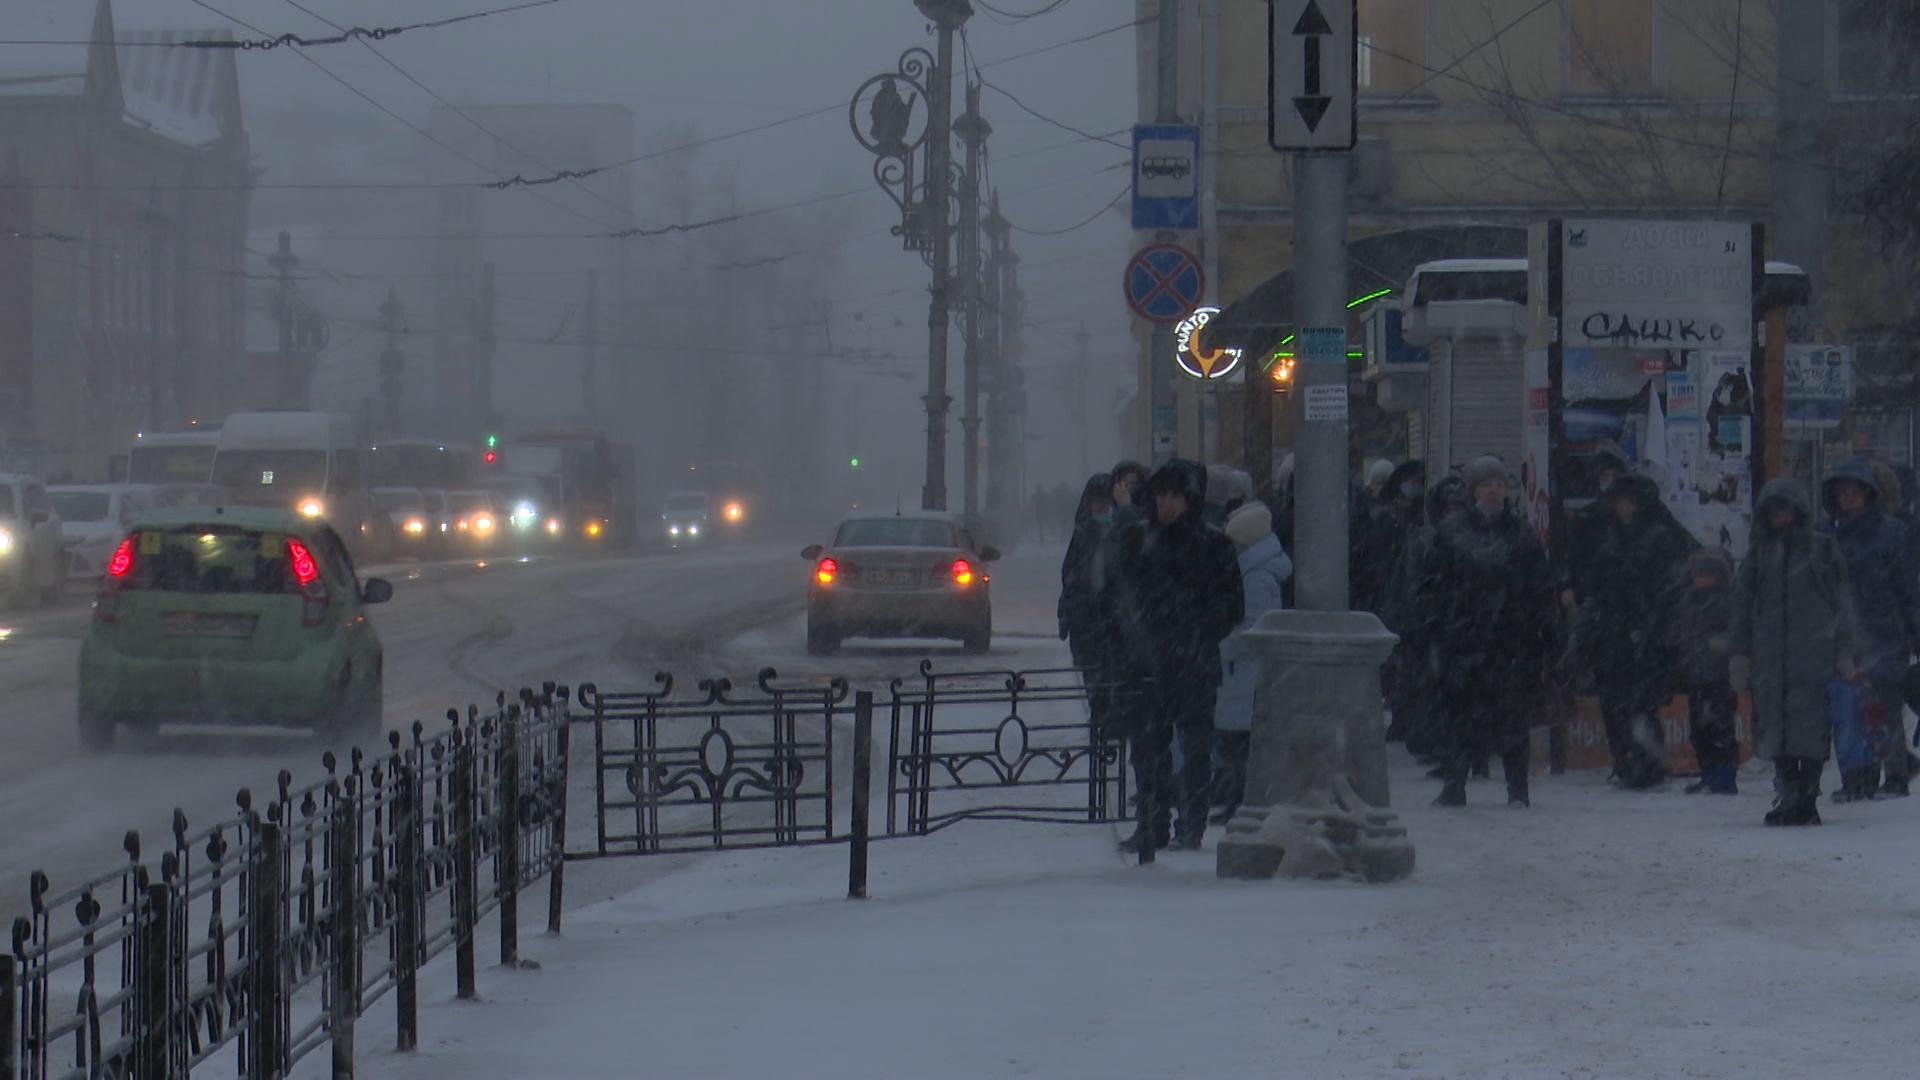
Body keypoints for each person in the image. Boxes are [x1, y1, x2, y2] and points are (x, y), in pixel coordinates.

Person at [1410, 456, 1558, 809]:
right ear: (1474, 490)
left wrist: (1539, 630)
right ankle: (1455, 783)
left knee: (1511, 718)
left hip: (1510, 641)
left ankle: (1517, 788)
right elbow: (1431, 585)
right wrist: (1437, 627)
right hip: (1463, 641)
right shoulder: (1452, 531)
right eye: (1486, 484)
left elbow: (1539, 585)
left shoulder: (1520, 532)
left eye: (1499, 484)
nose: (1494, 491)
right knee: (1459, 715)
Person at [1118, 459, 1244, 856]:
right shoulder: (1137, 543)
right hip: (1149, 663)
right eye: (1160, 496)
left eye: (1174, 496)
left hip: (1193, 663)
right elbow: (1119, 599)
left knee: (1195, 748)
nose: (1166, 504)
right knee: (1148, 748)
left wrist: (1194, 631)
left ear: (1190, 499)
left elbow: (1230, 606)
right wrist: (1137, 636)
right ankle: (1152, 824)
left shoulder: (1213, 546)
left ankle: (1191, 825)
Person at [1729, 479, 1857, 827]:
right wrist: (1740, 653)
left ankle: (1806, 797)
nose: (1779, 517)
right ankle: (1789, 794)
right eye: (1773, 510)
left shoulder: (1821, 551)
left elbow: (1841, 603)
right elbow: (1742, 606)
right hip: (1771, 660)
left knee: (1812, 732)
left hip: (1812, 658)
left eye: (1784, 509)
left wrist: (1845, 650)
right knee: (1777, 732)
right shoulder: (1759, 555)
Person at [1581, 472, 1696, 790]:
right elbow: (1598, 582)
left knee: (1641, 705)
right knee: (1616, 703)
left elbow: (1668, 588)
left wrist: (1649, 625)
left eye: (1629, 503)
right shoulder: (1611, 537)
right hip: (1614, 632)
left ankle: (1648, 766)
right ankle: (1626, 764)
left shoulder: (1660, 537)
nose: (1624, 510)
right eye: (1619, 503)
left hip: (1645, 634)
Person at [1817, 457, 1920, 800]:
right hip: (1841, 637)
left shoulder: (1891, 533)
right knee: (1851, 710)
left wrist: (1913, 630)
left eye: (1854, 492)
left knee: (1885, 710)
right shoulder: (1824, 534)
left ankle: (1894, 776)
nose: (1848, 499)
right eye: (1842, 493)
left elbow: (1907, 588)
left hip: (1884, 632)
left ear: (1868, 494)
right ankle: (1859, 778)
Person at [1210, 500, 1292, 825]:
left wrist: (1221, 649)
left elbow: (1253, 627)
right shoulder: (1261, 569)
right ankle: (1237, 800)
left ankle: (1242, 802)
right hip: (1245, 672)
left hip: (1244, 671)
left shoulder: (1255, 577)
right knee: (1237, 743)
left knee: (1238, 743)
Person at [1383, 474, 1466, 761]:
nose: (1453, 515)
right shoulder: (1422, 543)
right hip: (1426, 632)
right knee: (1427, 689)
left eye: (1458, 509)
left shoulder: (1474, 541)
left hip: (1461, 632)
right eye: (1448, 509)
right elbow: (1404, 588)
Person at [1669, 548, 1740, 794]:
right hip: (1696, 675)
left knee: (1720, 727)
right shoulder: (1687, 602)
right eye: (1698, 573)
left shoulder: (1726, 602)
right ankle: (1710, 774)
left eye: (1706, 573)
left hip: (1719, 676)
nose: (1701, 578)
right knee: (1700, 729)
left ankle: (1724, 777)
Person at [1059, 475, 1125, 733]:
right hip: (1088, 621)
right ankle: (1100, 717)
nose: (1100, 507)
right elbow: (1069, 577)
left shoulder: (1123, 530)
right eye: (1095, 502)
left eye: (1105, 501)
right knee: (1093, 675)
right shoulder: (1083, 532)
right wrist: (1066, 613)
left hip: (1114, 620)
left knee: (1112, 674)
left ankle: (1108, 718)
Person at [1353, 460, 1425, 616]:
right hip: (1382, 594)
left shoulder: (1421, 518)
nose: (1413, 486)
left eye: (1418, 482)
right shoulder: (1382, 518)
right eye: (1409, 481)